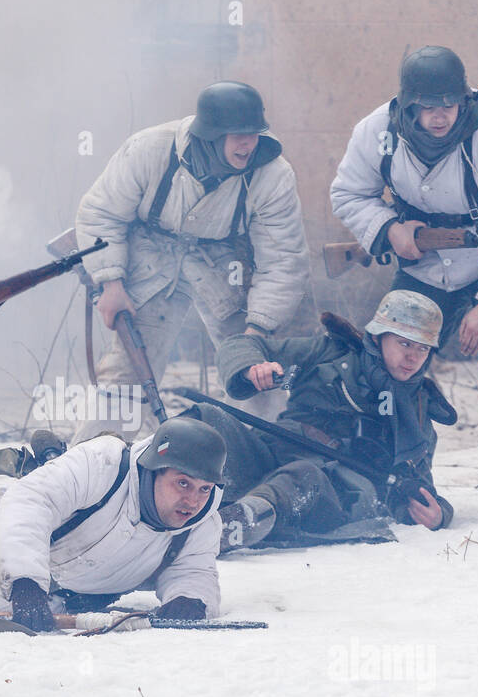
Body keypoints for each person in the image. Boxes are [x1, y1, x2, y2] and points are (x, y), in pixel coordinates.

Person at [330, 45, 478, 518]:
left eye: (448, 106)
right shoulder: (376, 132)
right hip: (422, 268)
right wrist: (389, 229)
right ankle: (408, 491)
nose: (439, 118)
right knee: (387, 369)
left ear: (464, 101)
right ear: (409, 105)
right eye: (429, 108)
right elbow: (349, 193)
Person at [72, 81, 313, 441]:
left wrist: (258, 330)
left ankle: (266, 459)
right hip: (151, 254)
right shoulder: (149, 149)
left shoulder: (274, 176)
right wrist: (111, 282)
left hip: (225, 262)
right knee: (125, 375)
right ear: (211, 135)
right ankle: (90, 466)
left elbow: (283, 260)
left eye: (253, 133)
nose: (248, 144)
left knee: (257, 370)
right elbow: (100, 213)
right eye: (237, 135)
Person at [0, 418, 228, 630]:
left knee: (1, 625)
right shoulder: (104, 463)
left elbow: (193, 570)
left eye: (204, 488)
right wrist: (25, 582)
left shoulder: (201, 522)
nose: (193, 500)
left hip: (54, 586)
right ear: (152, 469)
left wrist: (190, 600)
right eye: (183, 483)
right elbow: (29, 502)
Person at [196, 290, 456, 552]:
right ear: (377, 337)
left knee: (303, 476)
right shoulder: (329, 353)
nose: (413, 357)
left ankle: (218, 532)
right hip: (276, 451)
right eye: (404, 343)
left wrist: (439, 515)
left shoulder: (418, 410)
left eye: (422, 348)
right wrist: (252, 366)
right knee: (207, 418)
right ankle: (164, 502)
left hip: (333, 491)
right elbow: (240, 344)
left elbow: (420, 487)